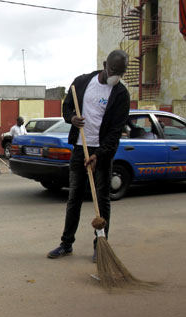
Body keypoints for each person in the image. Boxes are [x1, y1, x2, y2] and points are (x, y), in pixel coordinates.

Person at [47, 50, 130, 262]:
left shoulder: (121, 94)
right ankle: (66, 244)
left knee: (102, 200)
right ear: (104, 65)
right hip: (79, 147)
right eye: (113, 71)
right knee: (74, 197)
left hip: (102, 152)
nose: (116, 76)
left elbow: (115, 132)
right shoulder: (82, 83)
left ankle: (99, 245)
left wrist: (99, 155)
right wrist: (72, 118)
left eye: (120, 73)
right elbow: (67, 107)